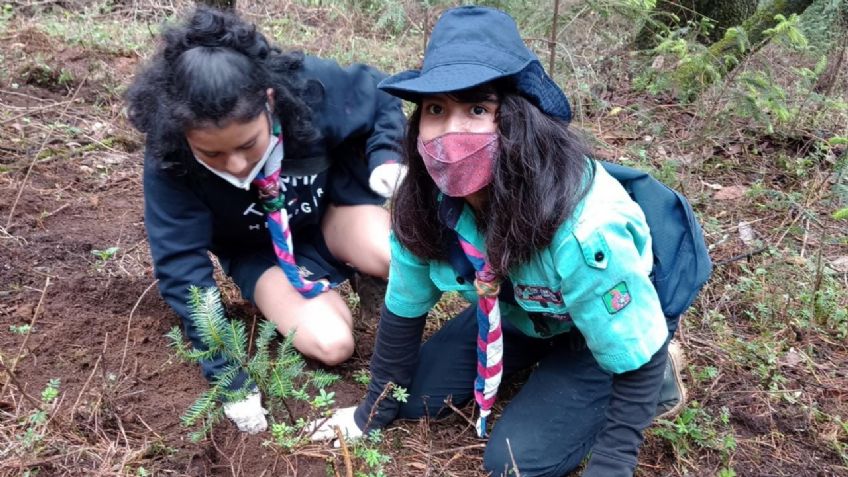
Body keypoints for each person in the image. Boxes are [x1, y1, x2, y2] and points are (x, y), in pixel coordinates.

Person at [310, 6, 698, 476]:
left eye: (478, 109)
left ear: (518, 120)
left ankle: (658, 378)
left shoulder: (584, 228)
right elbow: (403, 309)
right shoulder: (425, 203)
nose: (451, 131)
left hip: (610, 315)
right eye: (436, 109)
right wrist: (370, 415)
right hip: (525, 311)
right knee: (412, 398)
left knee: (513, 462)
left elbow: (633, 356)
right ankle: (539, 349)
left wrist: (613, 463)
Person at [125, 7, 406, 434]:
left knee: (399, 257)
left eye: (248, 144)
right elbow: (182, 267)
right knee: (332, 344)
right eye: (213, 154)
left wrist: (387, 155)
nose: (236, 165)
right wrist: (227, 376)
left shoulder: (309, 88)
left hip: (330, 215)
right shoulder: (170, 157)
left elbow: (381, 94)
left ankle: (365, 273)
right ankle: (301, 290)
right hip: (259, 250)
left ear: (269, 100)